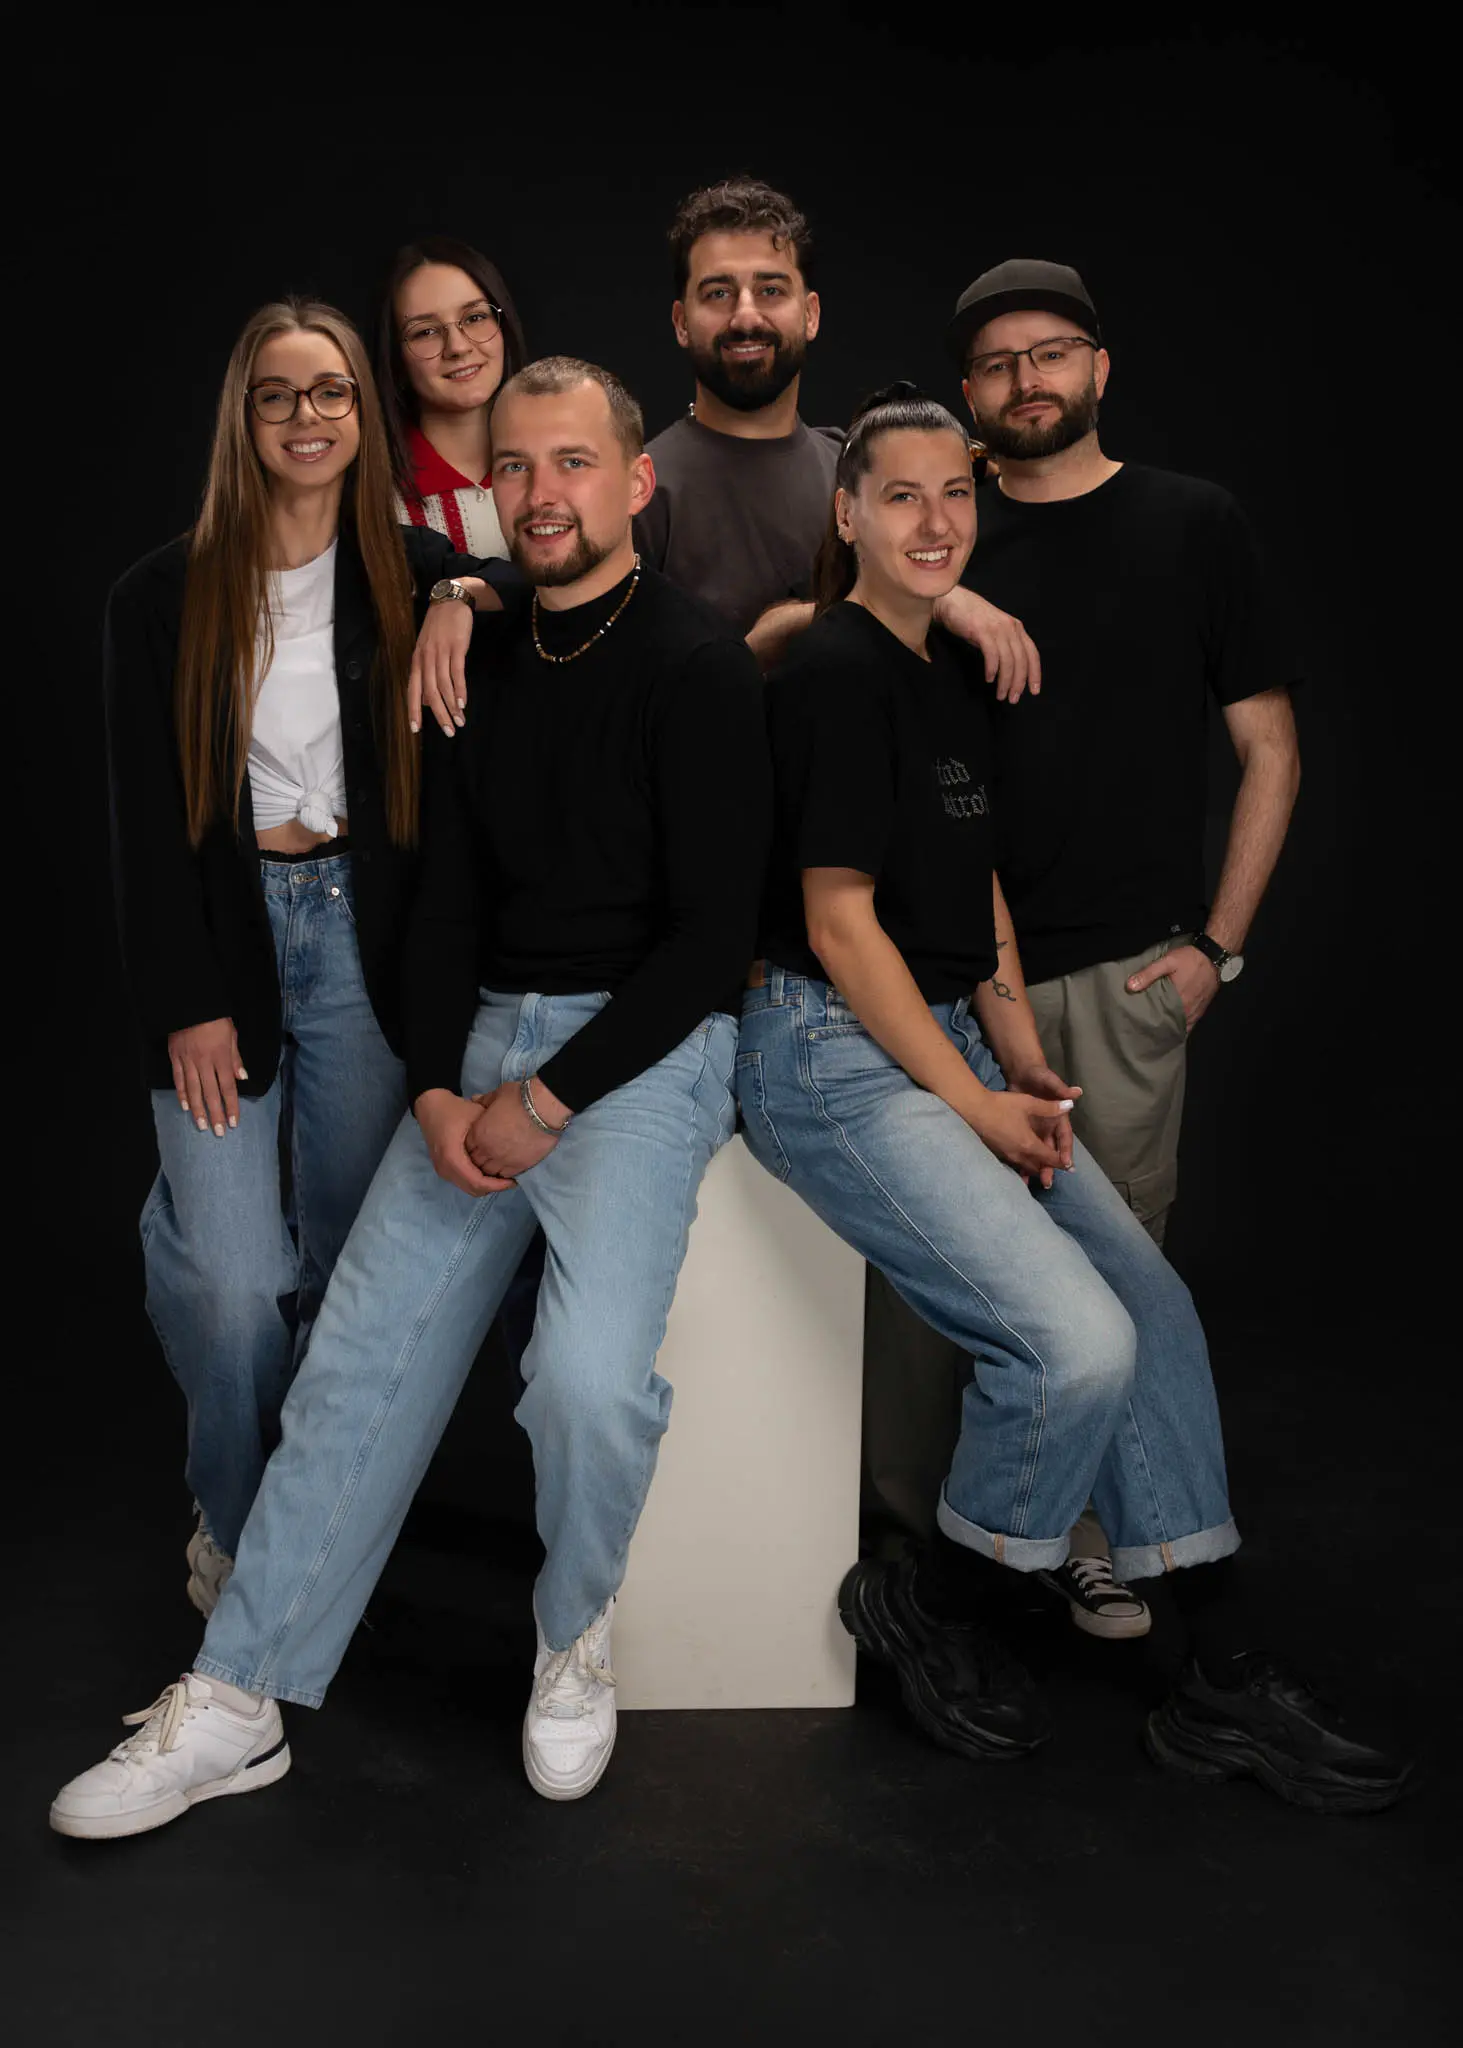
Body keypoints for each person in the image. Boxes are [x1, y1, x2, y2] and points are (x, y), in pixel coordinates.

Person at [52, 357, 772, 1837]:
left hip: (639, 1052)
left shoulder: (696, 667)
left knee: (581, 1380)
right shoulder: (471, 658)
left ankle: (572, 1635)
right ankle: (238, 1698)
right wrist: (441, 1089)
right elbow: (441, 900)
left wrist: (546, 1102)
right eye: (514, 467)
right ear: (485, 491)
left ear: (636, 481)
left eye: (573, 463)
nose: (542, 494)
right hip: (484, 1038)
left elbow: (710, 946)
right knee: (353, 1362)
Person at [734, 386, 1407, 1813]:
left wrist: (1012, 1057)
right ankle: (941, 1601)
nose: (933, 520)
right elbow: (842, 924)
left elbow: (970, 886)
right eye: (899, 494)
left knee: (1149, 1308)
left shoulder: (944, 667)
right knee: (1071, 1347)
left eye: (953, 493)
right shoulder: (832, 669)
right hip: (828, 1052)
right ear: (845, 512)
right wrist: (971, 1105)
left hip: (946, 1041)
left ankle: (1215, 1668)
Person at [858, 262, 1304, 1620]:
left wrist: (1215, 949)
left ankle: (1090, 1533)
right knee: (930, 1287)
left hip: (1125, 976)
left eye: (1048, 352)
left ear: (1098, 367)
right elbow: (821, 631)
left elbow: (1268, 747)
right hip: (943, 974)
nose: (1025, 380)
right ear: (968, 392)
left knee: (1112, 1285)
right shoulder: (937, 531)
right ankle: (913, 1563)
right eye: (995, 364)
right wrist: (944, 597)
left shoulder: (1191, 522)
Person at [102, 295, 502, 1619]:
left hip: (363, 946)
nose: (305, 416)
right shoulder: (160, 595)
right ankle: (235, 1514)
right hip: (226, 944)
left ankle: (302, 1530)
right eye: (276, 394)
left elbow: (524, 578)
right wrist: (186, 1002)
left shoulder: (410, 570)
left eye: (329, 391)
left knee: (347, 1271)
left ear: (362, 412)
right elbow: (145, 824)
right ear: (245, 416)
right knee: (232, 1286)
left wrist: (460, 593)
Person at [379, 234, 526, 562]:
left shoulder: (561, 471)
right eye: (425, 332)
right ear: (395, 359)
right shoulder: (373, 501)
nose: (457, 347)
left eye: (475, 318)